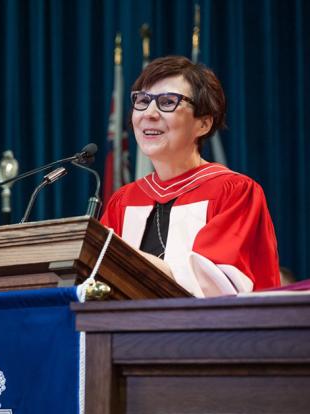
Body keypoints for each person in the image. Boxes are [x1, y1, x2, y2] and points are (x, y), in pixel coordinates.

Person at [100, 55, 280, 297]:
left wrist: (129, 262)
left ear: (203, 124)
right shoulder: (124, 201)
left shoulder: (234, 192)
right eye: (142, 100)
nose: (149, 113)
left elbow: (221, 288)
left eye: (167, 102)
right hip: (126, 334)